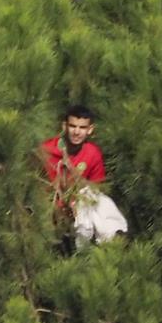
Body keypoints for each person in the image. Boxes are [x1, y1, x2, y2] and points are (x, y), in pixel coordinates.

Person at [40, 104, 127, 246]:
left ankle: (114, 238)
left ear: (90, 130)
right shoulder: (46, 150)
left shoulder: (92, 153)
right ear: (64, 127)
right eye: (73, 126)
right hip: (51, 209)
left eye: (82, 128)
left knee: (100, 201)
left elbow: (97, 189)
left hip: (79, 207)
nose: (76, 132)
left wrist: (72, 171)